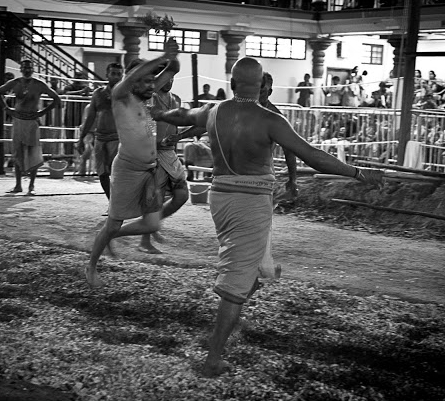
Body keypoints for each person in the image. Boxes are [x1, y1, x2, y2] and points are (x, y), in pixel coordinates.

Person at [151, 57, 384, 377]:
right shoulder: (270, 119)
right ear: (261, 86)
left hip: (220, 197)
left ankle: (232, 309)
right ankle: (212, 359)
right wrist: (357, 172)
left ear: (232, 85)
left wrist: (158, 113)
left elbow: (181, 115)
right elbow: (313, 156)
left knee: (258, 269)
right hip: (250, 202)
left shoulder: (213, 111)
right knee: (237, 280)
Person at [85, 38, 180, 288]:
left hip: (149, 171)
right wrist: (161, 58)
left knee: (151, 223)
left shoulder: (145, 98)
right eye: (147, 81)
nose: (153, 86)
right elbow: (137, 75)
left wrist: (172, 56)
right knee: (113, 222)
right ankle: (91, 266)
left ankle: (112, 236)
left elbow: (173, 70)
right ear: (133, 80)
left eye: (153, 81)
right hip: (127, 170)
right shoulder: (120, 97)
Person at [137, 76, 189, 254]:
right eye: (166, 78)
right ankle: (145, 240)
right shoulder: (151, 98)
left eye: (172, 78)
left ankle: (152, 226)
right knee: (155, 196)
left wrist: (178, 137)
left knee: (182, 195)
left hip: (170, 152)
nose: (169, 82)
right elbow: (146, 124)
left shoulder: (176, 99)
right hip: (153, 151)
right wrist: (150, 146)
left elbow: (176, 125)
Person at [0, 59, 61, 195]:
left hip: (32, 122)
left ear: (33, 69)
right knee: (18, 153)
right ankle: (18, 185)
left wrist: (42, 112)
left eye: (29, 68)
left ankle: (31, 186)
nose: (27, 70)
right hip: (18, 121)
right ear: (21, 69)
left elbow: (56, 98)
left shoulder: (39, 84)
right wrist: (7, 109)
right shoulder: (15, 83)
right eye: (24, 67)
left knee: (33, 153)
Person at [77, 63, 124, 197]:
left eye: (119, 74)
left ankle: (117, 204)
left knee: (117, 173)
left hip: (118, 138)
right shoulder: (98, 94)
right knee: (102, 173)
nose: (116, 76)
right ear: (107, 75)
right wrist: (81, 138)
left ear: (122, 76)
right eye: (113, 73)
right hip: (100, 138)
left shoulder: (126, 94)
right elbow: (90, 117)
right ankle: (112, 203)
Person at [261, 72, 297, 199]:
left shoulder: (276, 117)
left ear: (269, 92)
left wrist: (293, 179)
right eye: (255, 90)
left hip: (261, 173)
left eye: (262, 91)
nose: (257, 95)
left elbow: (289, 150)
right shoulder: (241, 109)